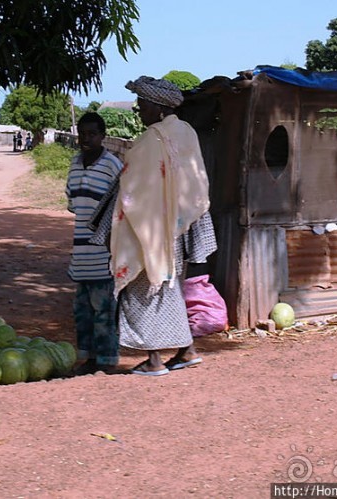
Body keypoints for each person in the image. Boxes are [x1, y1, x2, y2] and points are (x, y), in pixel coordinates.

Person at [93, 76, 215, 376]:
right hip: (179, 227)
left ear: (159, 107)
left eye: (143, 104)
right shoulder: (185, 131)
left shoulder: (153, 138)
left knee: (142, 288)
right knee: (168, 289)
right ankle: (187, 351)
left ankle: (155, 358)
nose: (139, 110)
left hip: (151, 229)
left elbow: (134, 186)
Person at [65, 112, 124, 374]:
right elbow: (72, 204)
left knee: (104, 310)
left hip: (105, 251)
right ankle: (88, 358)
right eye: (83, 134)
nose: (86, 139)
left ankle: (108, 360)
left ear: (102, 136)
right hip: (81, 251)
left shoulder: (112, 165)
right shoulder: (74, 164)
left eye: (92, 134)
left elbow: (123, 205)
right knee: (83, 311)